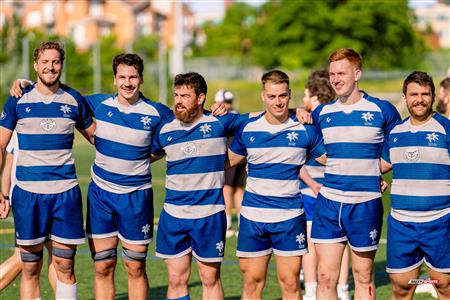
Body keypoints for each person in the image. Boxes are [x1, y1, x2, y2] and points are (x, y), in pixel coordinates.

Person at [0, 41, 95, 300]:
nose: (50, 67)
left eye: (55, 62)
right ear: (35, 65)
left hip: (65, 194)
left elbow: (97, 138)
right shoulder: (18, 99)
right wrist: (1, 191)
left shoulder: (74, 99)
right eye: (45, 62)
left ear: (61, 65)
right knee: (30, 268)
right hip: (29, 194)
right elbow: (1, 145)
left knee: (65, 265)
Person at [309, 48, 401, 299]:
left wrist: (373, 171)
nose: (336, 79)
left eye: (342, 73)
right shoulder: (321, 114)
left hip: (365, 203)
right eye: (332, 74)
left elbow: (398, 147)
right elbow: (312, 147)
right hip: (329, 202)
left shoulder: (383, 110)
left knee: (362, 276)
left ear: (357, 74)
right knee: (325, 276)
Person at [151, 72, 252, 300]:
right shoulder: (165, 129)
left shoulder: (219, 121)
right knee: (176, 279)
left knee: (209, 278)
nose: (178, 100)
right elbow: (141, 157)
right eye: (176, 94)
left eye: (185, 95)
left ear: (200, 98)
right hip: (173, 214)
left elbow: (261, 120)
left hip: (209, 214)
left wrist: (299, 112)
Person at [228, 70, 327, 299]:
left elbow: (332, 161)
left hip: (289, 217)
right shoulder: (248, 127)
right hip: (253, 217)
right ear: (263, 96)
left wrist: (370, 174)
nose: (278, 101)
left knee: (291, 284)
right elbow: (227, 161)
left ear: (289, 94)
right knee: (252, 284)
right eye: (272, 96)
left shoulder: (305, 128)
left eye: (283, 96)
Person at [380, 71, 449, 300]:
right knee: (402, 287)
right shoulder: (395, 132)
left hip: (441, 221)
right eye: (414, 94)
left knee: (444, 285)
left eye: (425, 94)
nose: (419, 99)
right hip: (402, 224)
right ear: (405, 97)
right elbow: (379, 165)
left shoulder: (446, 129)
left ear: (432, 96)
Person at [299, 70, 350, 300]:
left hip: (311, 187)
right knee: (343, 239)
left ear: (313, 93)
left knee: (310, 241)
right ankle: (343, 289)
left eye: (305, 94)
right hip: (337, 185)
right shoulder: (336, 116)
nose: (303, 99)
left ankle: (310, 290)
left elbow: (296, 160)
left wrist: (310, 183)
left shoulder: (307, 119)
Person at [0, 132, 57, 293]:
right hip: (39, 195)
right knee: (27, 257)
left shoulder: (19, 112)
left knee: (54, 257)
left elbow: (9, 158)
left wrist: (5, 195)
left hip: (26, 196)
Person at [214, 89, 246, 238]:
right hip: (242, 155)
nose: (225, 105)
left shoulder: (225, 118)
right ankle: (241, 223)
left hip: (231, 156)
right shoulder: (238, 115)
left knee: (227, 189)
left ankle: (227, 224)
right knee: (238, 190)